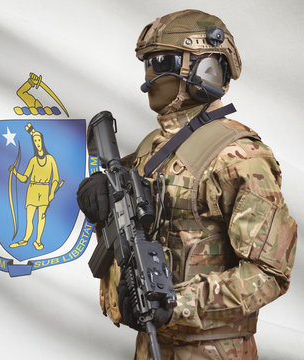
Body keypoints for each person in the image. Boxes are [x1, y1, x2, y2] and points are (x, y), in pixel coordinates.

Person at [77, 9, 297, 359]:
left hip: (214, 351)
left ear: (204, 68)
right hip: (150, 345)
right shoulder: (153, 145)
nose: (150, 75)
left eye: (161, 60)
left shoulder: (240, 156)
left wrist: (177, 303)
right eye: (147, 62)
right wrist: (99, 195)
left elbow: (269, 273)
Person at [9, 123, 60, 251]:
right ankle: (26, 239)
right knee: (29, 217)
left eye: (39, 140)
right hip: (32, 190)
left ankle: (37, 241)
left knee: (41, 217)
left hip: (44, 190)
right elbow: (25, 178)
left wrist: (52, 192)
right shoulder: (32, 160)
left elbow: (56, 179)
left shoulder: (50, 159)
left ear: (42, 141)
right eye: (35, 140)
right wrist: (14, 172)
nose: (37, 142)